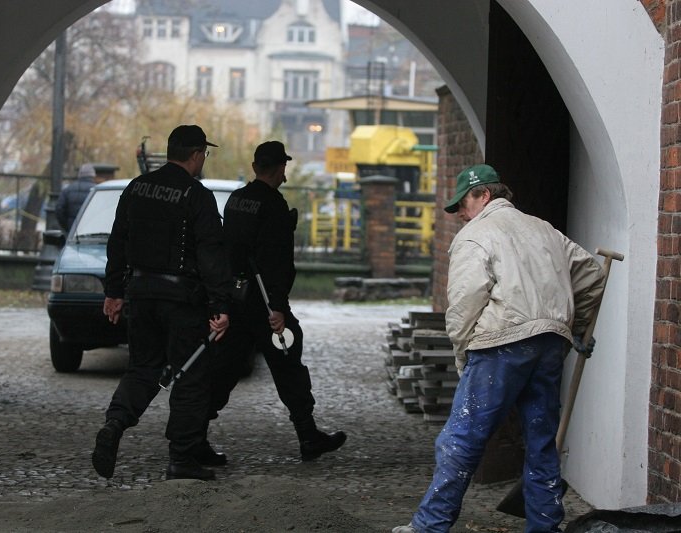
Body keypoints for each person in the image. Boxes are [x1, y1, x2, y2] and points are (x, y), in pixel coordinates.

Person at [393, 164, 606, 533]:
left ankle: (429, 526)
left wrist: (463, 355)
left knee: (461, 438)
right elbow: (591, 273)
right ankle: (544, 526)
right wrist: (576, 328)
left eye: (462, 203)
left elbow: (463, 304)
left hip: (501, 346)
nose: (459, 213)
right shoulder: (545, 230)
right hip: (550, 343)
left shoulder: (476, 234)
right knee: (541, 443)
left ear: (484, 195)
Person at [92, 125, 231, 482]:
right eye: (204, 154)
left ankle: (115, 423)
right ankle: (182, 459)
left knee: (142, 369)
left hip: (140, 294)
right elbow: (210, 253)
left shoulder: (136, 188)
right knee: (189, 377)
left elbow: (117, 242)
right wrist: (220, 305)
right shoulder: (196, 195)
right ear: (197, 155)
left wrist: (114, 291)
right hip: (181, 301)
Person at [199, 140, 346, 467]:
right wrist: (277, 306)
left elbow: (226, 250)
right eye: (283, 168)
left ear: (254, 167)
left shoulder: (236, 200)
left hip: (236, 298)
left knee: (224, 368)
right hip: (264, 304)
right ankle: (308, 435)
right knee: (288, 361)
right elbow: (278, 262)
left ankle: (192, 436)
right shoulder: (274, 206)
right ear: (280, 168)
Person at [55, 163, 99, 233]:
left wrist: (67, 226)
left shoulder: (68, 190)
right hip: (92, 231)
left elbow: (59, 209)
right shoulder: (97, 190)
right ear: (93, 175)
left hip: (72, 230)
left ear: (79, 175)